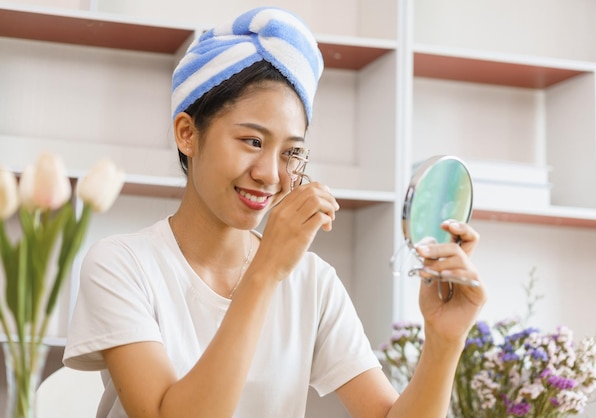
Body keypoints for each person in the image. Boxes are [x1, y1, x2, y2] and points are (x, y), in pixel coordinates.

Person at [63, 6, 486, 418]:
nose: (270, 174)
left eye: (292, 152)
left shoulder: (312, 282)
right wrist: (265, 271)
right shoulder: (121, 265)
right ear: (187, 133)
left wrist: (445, 340)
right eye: (252, 141)